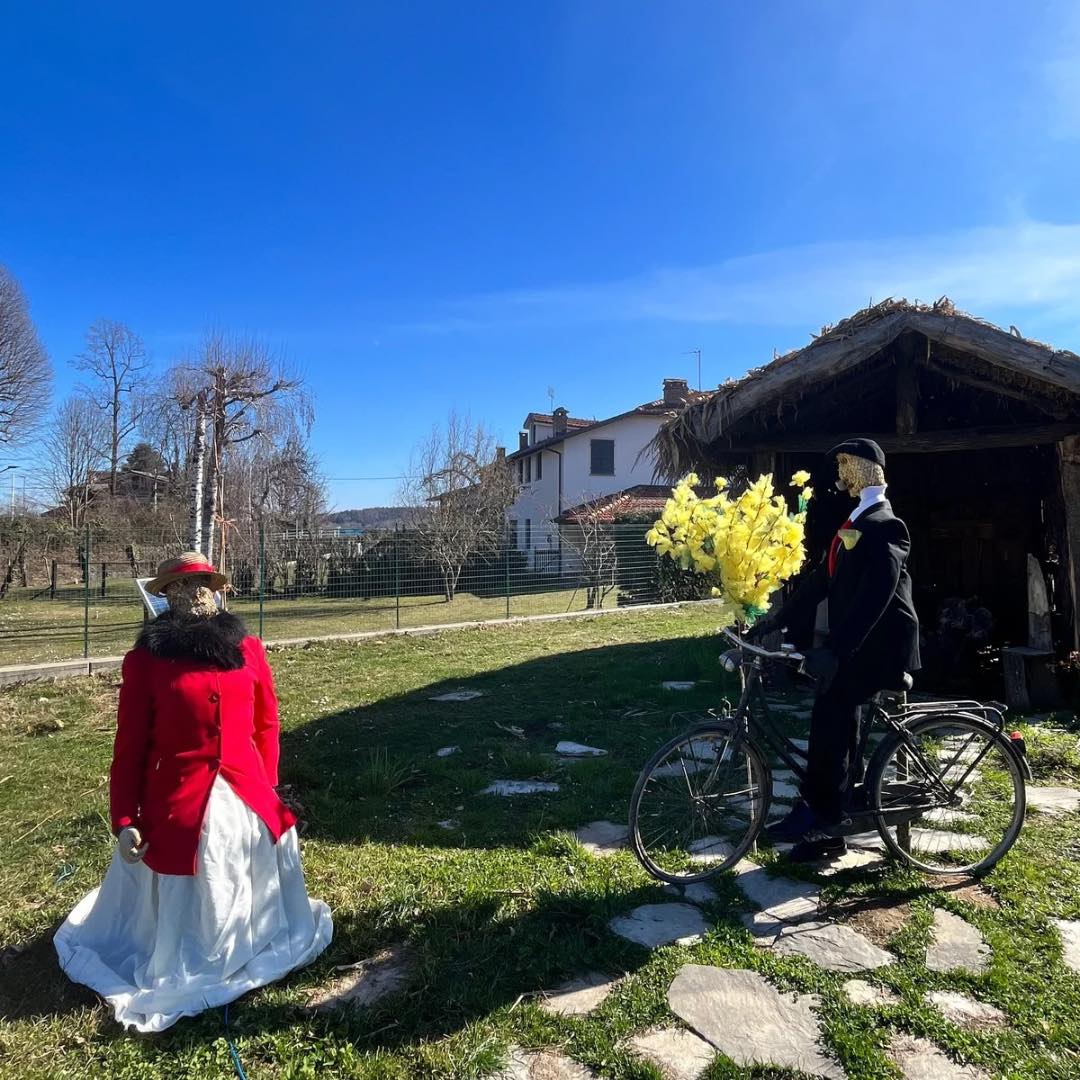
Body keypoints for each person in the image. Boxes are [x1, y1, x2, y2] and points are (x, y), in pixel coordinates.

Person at [55, 552, 332, 1032]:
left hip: (246, 791)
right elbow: (130, 749)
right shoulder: (146, 662)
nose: (196, 592)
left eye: (204, 582)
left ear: (217, 588)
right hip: (178, 798)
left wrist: (266, 790)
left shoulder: (249, 649)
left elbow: (267, 724)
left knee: (257, 844)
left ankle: (254, 934)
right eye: (182, 586)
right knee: (196, 859)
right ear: (164, 596)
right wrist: (125, 819)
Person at [752, 439, 920, 861]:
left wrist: (838, 649)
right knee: (833, 717)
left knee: (831, 710)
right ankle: (825, 812)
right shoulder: (857, 519)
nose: (840, 470)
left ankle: (822, 822)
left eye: (846, 463)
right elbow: (821, 582)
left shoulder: (886, 524)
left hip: (881, 646)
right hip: (859, 645)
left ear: (865, 468)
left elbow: (876, 598)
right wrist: (776, 619)